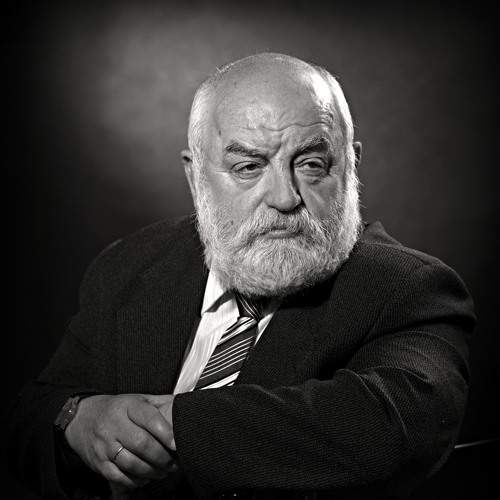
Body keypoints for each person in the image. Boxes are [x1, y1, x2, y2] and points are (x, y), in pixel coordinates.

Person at [8, 53, 475, 500]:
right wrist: (78, 419)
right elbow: (33, 414)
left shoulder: (410, 288)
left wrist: (171, 425)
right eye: (249, 167)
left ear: (350, 166)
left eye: (311, 164)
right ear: (195, 177)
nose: (285, 198)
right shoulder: (131, 264)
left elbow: (389, 428)